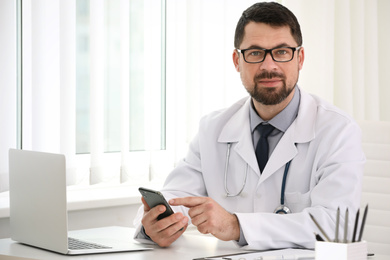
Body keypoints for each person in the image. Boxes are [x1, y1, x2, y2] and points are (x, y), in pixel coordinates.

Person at [133, 2, 365, 250]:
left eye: (282, 52)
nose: (269, 66)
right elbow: (176, 195)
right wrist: (154, 225)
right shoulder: (213, 128)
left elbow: (336, 225)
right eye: (255, 53)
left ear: (300, 58)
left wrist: (237, 226)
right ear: (237, 61)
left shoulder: (338, 130)